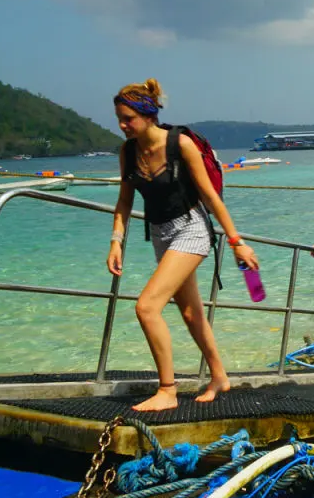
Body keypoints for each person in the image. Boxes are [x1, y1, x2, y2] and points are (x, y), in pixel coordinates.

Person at [108, 79, 259, 412]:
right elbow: (123, 200)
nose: (122, 125)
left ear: (147, 115)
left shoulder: (181, 144)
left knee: (147, 307)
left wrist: (237, 242)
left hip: (191, 229)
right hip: (161, 234)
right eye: (118, 118)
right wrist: (116, 241)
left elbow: (210, 197)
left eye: (128, 118)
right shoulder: (128, 152)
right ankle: (219, 376)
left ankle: (167, 390)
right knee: (190, 313)